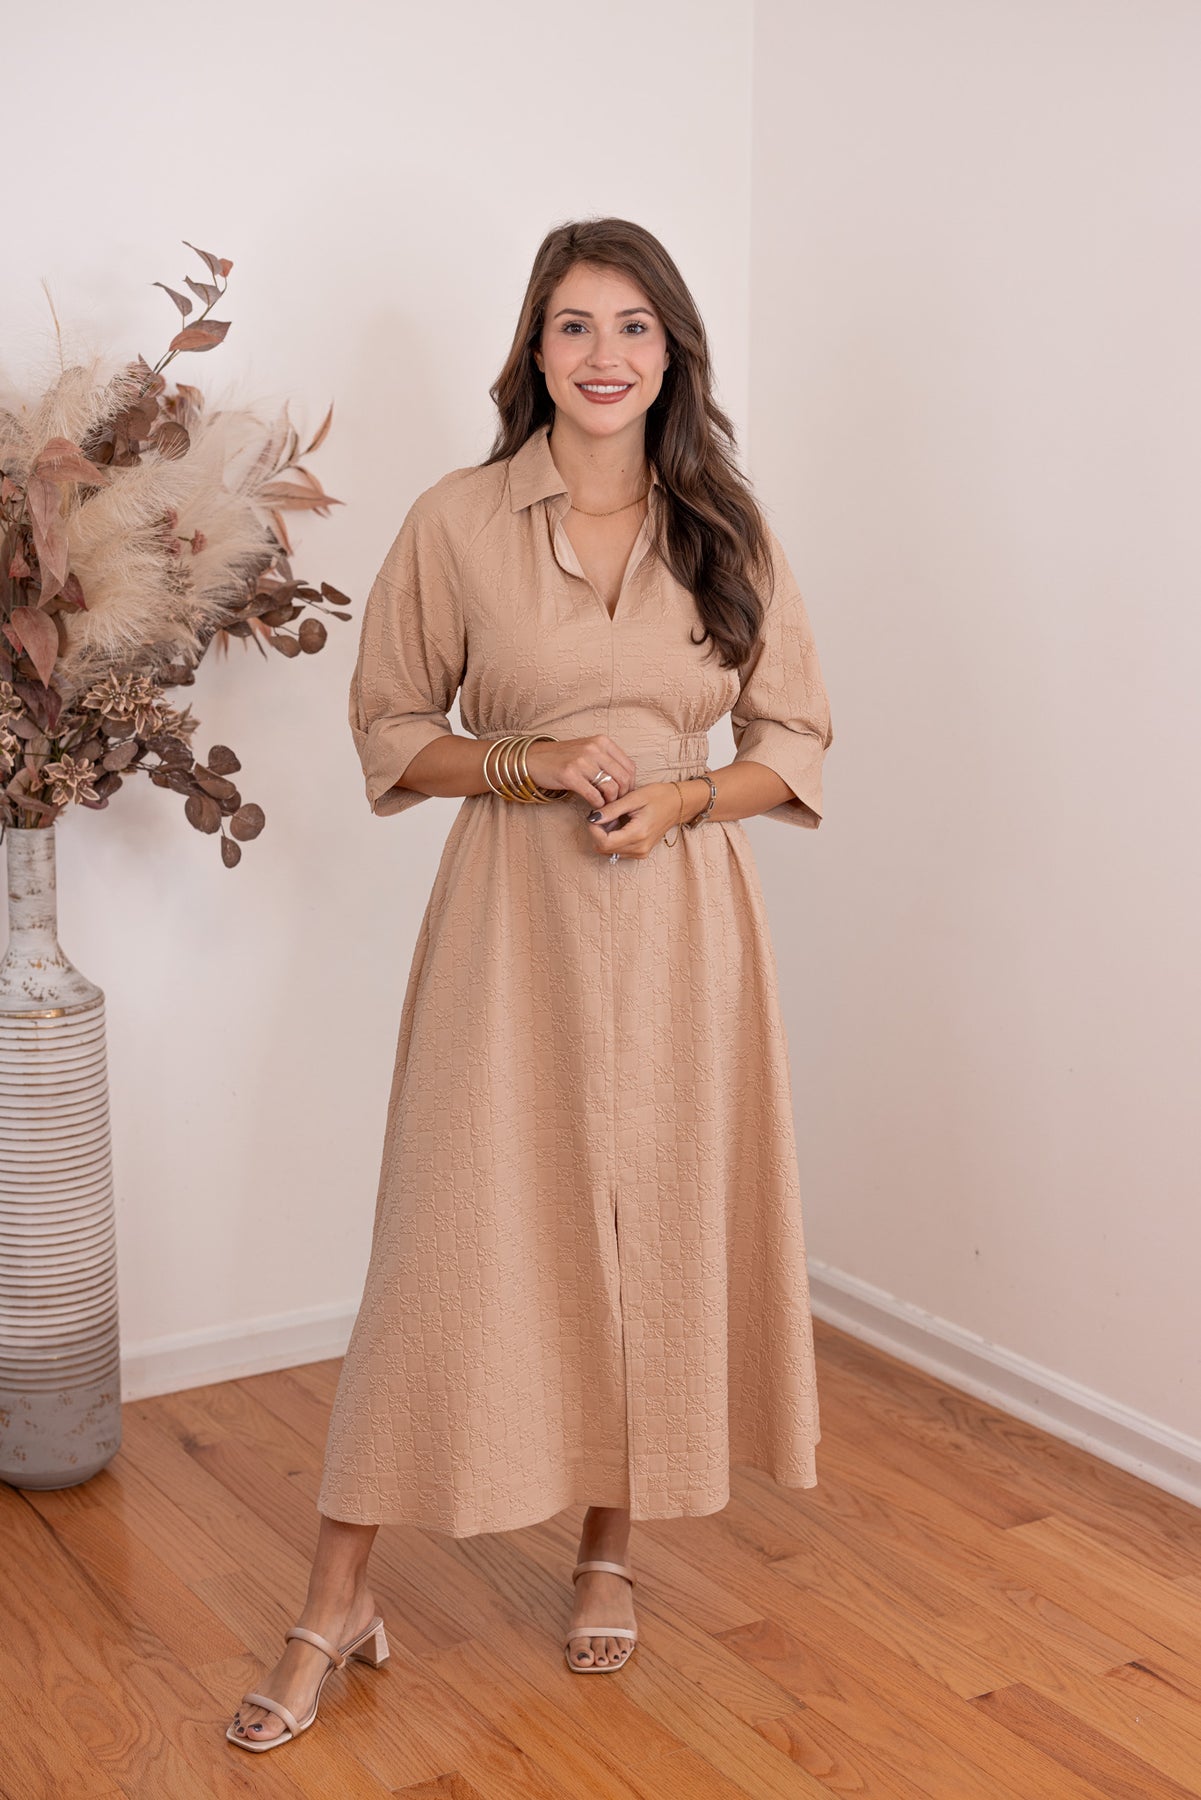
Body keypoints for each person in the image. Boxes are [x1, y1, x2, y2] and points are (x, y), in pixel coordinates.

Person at [228, 216, 833, 1750]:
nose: (603, 354)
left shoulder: (728, 528)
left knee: (652, 1232)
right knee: (447, 1240)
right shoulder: (455, 521)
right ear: (534, 351)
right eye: (573, 325)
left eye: (632, 326)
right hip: (511, 923)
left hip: (685, 925)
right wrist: (529, 761)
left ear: (671, 353)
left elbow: (793, 742)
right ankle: (333, 1599)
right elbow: (388, 727)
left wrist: (684, 797)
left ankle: (606, 1550)